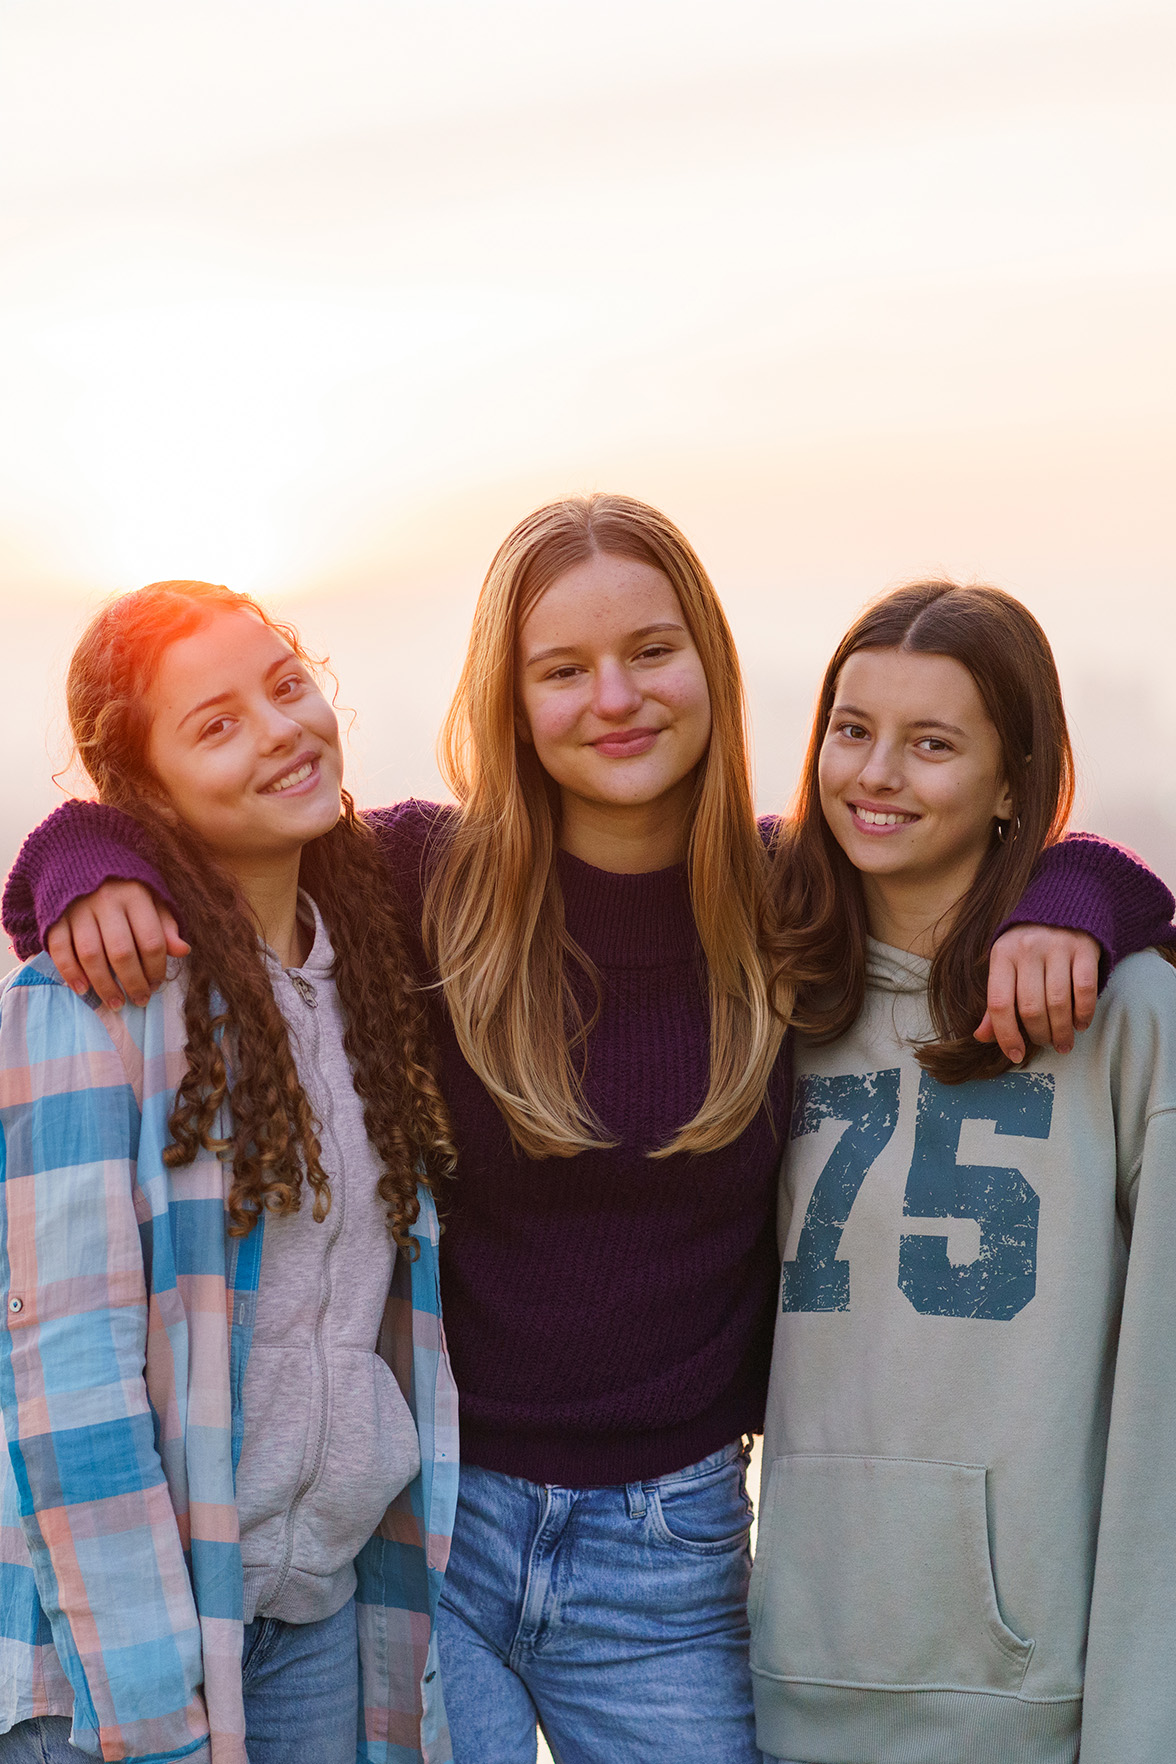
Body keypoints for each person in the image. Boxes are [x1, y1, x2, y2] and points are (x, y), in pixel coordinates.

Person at [3, 505, 1171, 1764]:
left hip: (672, 1558)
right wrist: (85, 857)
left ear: (710, 662)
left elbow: (1011, 862)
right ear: (510, 699)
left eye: (652, 652)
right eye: (562, 669)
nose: (615, 699)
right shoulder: (420, 878)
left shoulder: (791, 899)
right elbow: (218, 827)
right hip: (437, 1533)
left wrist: (1075, 897)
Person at [0, 582, 458, 1764]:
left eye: (287, 686)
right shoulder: (90, 999)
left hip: (314, 1618)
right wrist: (151, 1716)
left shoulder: (368, 963)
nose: (280, 731)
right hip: (114, 1658)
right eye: (217, 725)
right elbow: (65, 1378)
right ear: (146, 792)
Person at [751, 579, 1176, 1764]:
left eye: (932, 743)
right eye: (852, 729)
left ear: (1012, 782)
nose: (877, 775)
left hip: (1028, 1714)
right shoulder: (768, 991)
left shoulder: (1127, 1018)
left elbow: (1162, 1419)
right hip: (786, 1692)